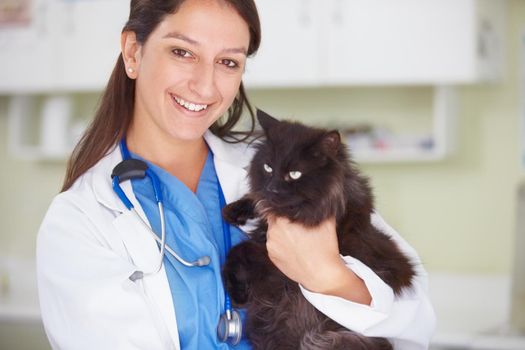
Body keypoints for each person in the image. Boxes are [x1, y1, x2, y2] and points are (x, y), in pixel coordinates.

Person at [36, 0, 436, 349]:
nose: (205, 85)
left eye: (228, 62)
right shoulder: (80, 221)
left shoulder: (285, 170)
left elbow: (414, 317)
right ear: (133, 52)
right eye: (182, 52)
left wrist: (328, 276)